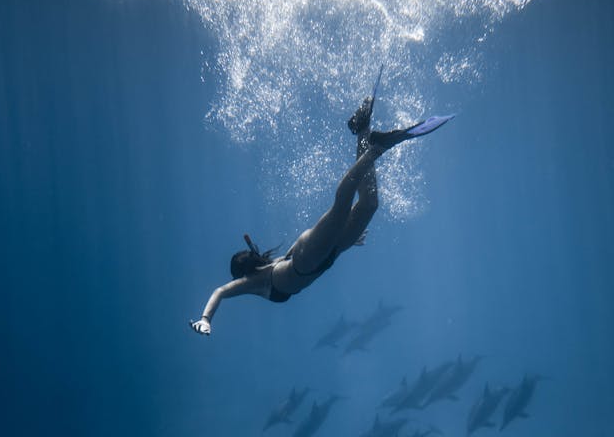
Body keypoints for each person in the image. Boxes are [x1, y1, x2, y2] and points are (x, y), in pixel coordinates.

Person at [189, 76, 452, 335]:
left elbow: (219, 292)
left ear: (240, 274)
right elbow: (289, 254)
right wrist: (343, 238)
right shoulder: (268, 269)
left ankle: (376, 149)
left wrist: (205, 319)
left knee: (342, 206)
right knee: (369, 204)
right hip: (326, 255)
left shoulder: (249, 282)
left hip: (309, 258)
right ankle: (363, 132)